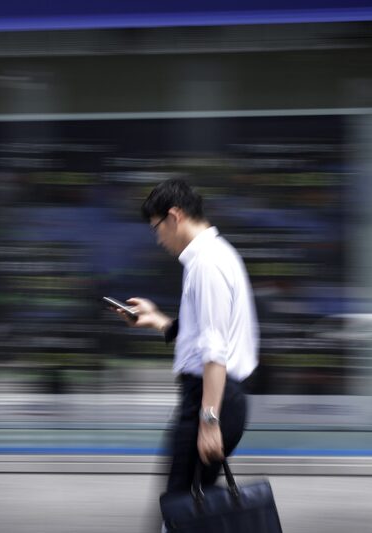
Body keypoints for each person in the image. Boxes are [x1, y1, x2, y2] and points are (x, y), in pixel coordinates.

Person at [119, 178, 259, 505]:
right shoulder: (214, 256)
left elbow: (214, 350)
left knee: (182, 508)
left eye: (157, 228)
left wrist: (208, 421)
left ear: (174, 216)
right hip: (217, 398)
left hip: (211, 400)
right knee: (194, 509)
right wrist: (160, 322)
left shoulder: (206, 263)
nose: (158, 239)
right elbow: (205, 336)